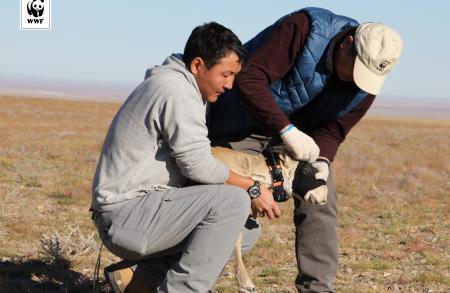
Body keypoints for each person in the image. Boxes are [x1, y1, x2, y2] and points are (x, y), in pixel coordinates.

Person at [207, 7, 403, 292]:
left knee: (321, 198)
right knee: (223, 198)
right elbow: (248, 79)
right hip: (242, 123)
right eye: (356, 69)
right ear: (348, 44)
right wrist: (286, 130)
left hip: (297, 144)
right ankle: (181, 279)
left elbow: (334, 129)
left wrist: (322, 161)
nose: (357, 81)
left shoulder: (368, 78)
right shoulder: (304, 30)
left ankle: (317, 288)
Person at [91, 22, 281, 293]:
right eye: (225, 74)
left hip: (139, 210)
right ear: (198, 65)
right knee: (233, 202)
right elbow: (197, 165)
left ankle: (137, 280)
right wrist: (251, 186)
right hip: (125, 214)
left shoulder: (181, 86)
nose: (230, 85)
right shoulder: (176, 91)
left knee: (245, 230)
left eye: (234, 76)